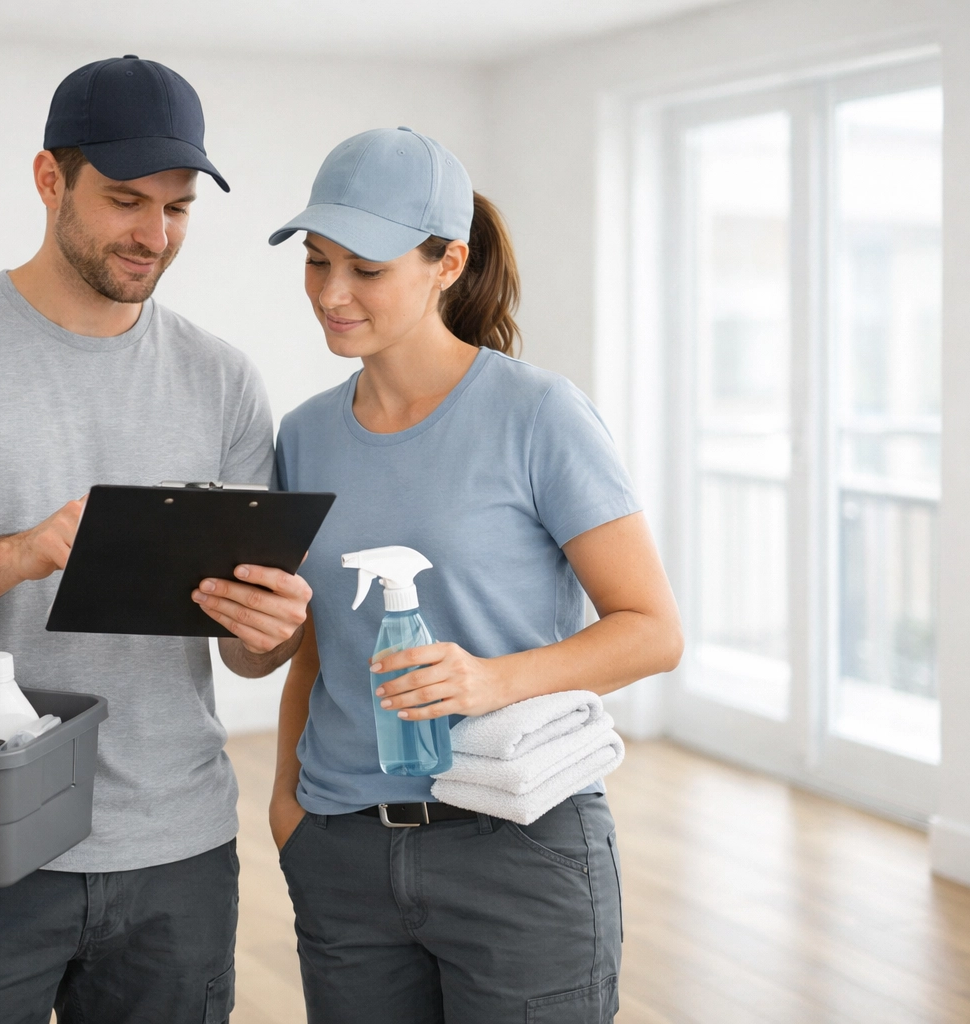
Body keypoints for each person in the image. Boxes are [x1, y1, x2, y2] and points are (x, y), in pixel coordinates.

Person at [0, 56, 311, 1024]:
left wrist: (268, 627)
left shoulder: (223, 378)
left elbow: (251, 659)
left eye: (179, 207)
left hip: (177, 850)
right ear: (49, 180)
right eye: (125, 200)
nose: (154, 235)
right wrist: (23, 551)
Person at [266, 127, 684, 1023]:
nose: (332, 295)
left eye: (366, 269)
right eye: (316, 262)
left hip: (519, 844)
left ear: (447, 262)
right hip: (342, 851)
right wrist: (286, 806)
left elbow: (652, 628)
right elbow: (315, 645)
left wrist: (491, 680)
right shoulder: (302, 436)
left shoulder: (538, 414)